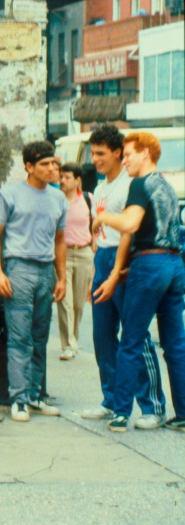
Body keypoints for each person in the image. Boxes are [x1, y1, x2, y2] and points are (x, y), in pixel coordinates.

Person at [92, 131, 184, 433]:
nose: (126, 158)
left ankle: (120, 413)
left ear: (146, 153)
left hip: (149, 263)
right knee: (175, 345)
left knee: (131, 340)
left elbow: (129, 225)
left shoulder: (140, 184)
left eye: (129, 153)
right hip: (174, 262)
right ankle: (181, 413)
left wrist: (104, 217)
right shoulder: (166, 186)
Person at [83, 124, 165, 427]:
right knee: (102, 335)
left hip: (125, 261)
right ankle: (112, 400)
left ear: (119, 153)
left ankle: (151, 406)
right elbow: (99, 233)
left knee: (135, 335)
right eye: (92, 153)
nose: (95, 159)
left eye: (101, 153)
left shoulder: (130, 185)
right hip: (103, 259)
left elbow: (127, 233)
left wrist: (117, 272)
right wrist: (97, 269)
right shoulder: (100, 188)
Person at [0, 141, 67, 423]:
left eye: (54, 163)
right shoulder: (10, 194)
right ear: (29, 167)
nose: (52, 169)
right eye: (45, 164)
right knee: (20, 337)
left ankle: (35, 395)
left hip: (46, 270)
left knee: (40, 337)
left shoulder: (59, 199)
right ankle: (18, 399)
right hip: (18, 267)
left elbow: (60, 240)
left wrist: (62, 277)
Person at [56, 163, 94, 361]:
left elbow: (95, 225)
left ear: (78, 180)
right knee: (64, 301)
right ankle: (68, 344)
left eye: (67, 177)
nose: (62, 180)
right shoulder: (56, 200)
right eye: (61, 177)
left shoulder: (88, 199)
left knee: (79, 304)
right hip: (62, 253)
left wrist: (94, 251)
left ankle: (74, 338)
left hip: (84, 253)